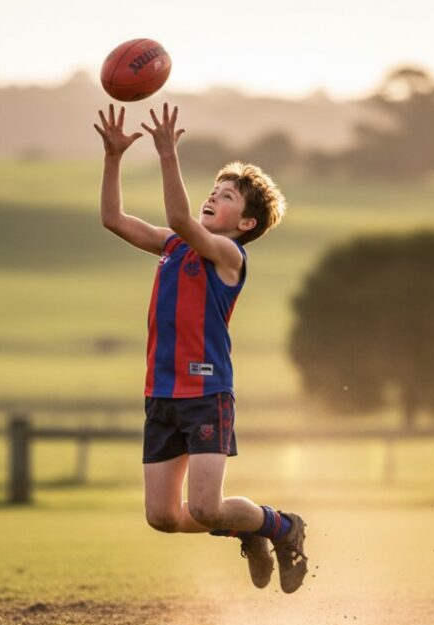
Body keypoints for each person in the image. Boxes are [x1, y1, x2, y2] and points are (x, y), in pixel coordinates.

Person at [94, 103, 307, 593]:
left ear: (246, 223)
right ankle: (248, 529)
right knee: (164, 517)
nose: (213, 198)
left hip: (206, 392)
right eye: (213, 191)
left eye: (225, 196)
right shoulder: (173, 246)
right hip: (162, 395)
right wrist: (113, 158)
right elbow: (112, 218)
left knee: (206, 508)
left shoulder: (230, 255)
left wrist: (168, 152)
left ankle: (280, 526)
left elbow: (176, 214)